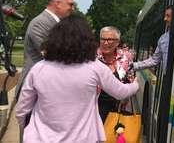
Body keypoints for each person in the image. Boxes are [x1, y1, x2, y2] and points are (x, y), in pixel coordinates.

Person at [16, 15, 139, 143]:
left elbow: (22, 110)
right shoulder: (95, 67)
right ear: (87, 40)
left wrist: (29, 131)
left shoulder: (38, 69)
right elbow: (120, 92)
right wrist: (135, 85)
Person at [15, 0, 74, 100]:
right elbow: (52, 55)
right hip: (34, 89)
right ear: (57, 3)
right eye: (70, 4)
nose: (72, 8)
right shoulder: (40, 23)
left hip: (46, 87)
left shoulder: (57, 23)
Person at [97, 26, 134, 122]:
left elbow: (130, 79)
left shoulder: (125, 57)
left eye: (109, 40)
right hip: (95, 108)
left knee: (114, 135)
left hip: (118, 108)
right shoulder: (92, 56)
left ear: (117, 42)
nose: (105, 42)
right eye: (103, 39)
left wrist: (126, 96)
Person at [132, 5, 172, 73]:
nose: (165, 19)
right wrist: (133, 66)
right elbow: (154, 60)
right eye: (165, 16)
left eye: (168, 16)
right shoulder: (163, 39)